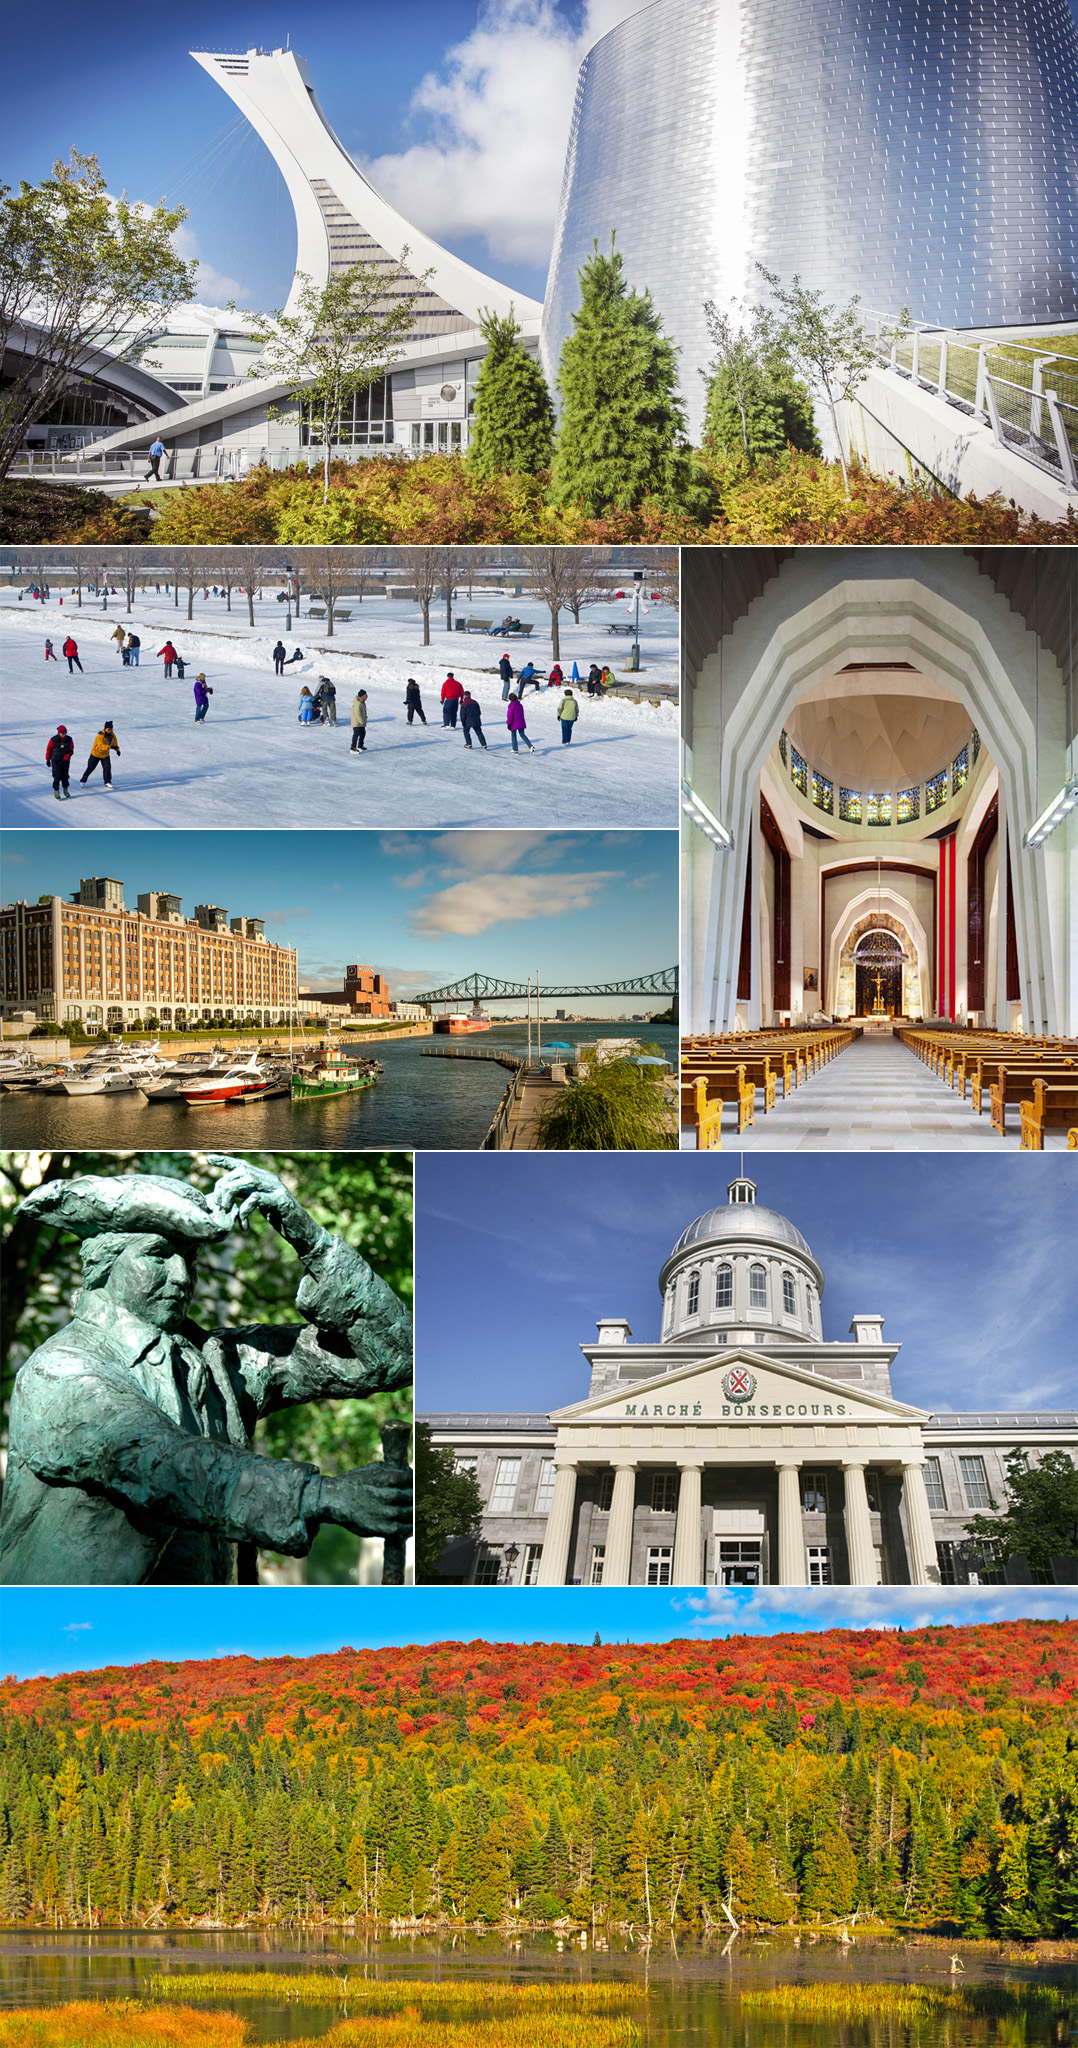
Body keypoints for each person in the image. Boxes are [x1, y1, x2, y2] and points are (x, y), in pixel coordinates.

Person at [0, 1156, 412, 1586]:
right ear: (104, 1265)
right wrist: (324, 1496)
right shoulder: (60, 1369)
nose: (181, 1276)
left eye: (190, 1259)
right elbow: (166, 1465)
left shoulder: (220, 1362)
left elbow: (393, 1358)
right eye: (158, 1256)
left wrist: (307, 1236)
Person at [79, 722, 120, 787]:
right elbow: (100, 747)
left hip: (105, 755)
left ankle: (107, 782)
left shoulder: (112, 735)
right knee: (90, 768)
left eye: (111, 729)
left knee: (107, 768)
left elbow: (114, 743)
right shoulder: (100, 736)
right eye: (108, 729)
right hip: (96, 754)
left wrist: (117, 750)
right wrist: (110, 747)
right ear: (105, 729)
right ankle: (83, 780)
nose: (110, 731)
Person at [46, 725, 74, 800]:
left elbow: (71, 750)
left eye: (65, 733)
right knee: (57, 776)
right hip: (56, 760)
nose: (64, 734)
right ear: (59, 733)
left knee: (65, 776)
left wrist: (68, 755)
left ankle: (65, 790)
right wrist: (48, 759)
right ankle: (56, 790)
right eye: (62, 733)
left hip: (65, 761)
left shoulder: (69, 739)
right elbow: (49, 749)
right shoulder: (53, 740)